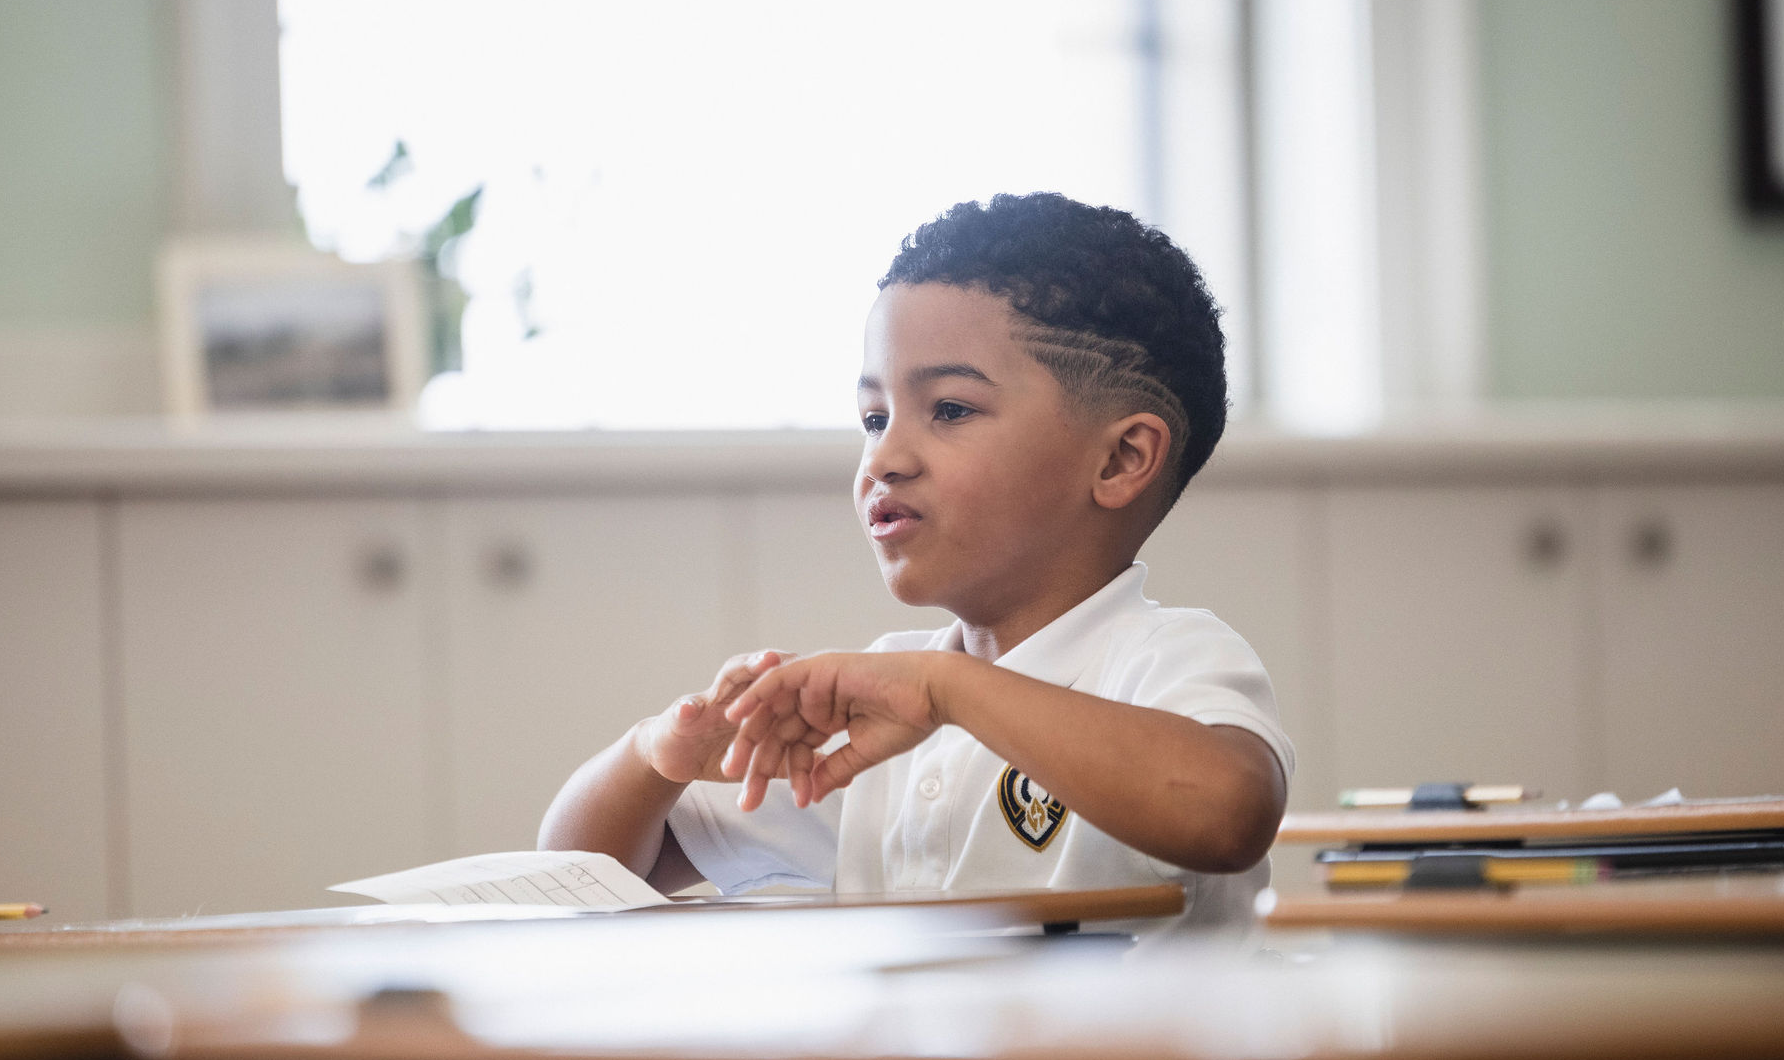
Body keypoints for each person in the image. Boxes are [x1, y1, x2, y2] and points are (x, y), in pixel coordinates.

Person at [540, 192, 1292, 921]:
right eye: (873, 417)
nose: (885, 457)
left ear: (1123, 458)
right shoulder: (873, 711)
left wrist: (947, 688)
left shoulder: (1162, 657)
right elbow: (575, 873)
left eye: (951, 409)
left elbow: (1225, 814)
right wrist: (655, 757)